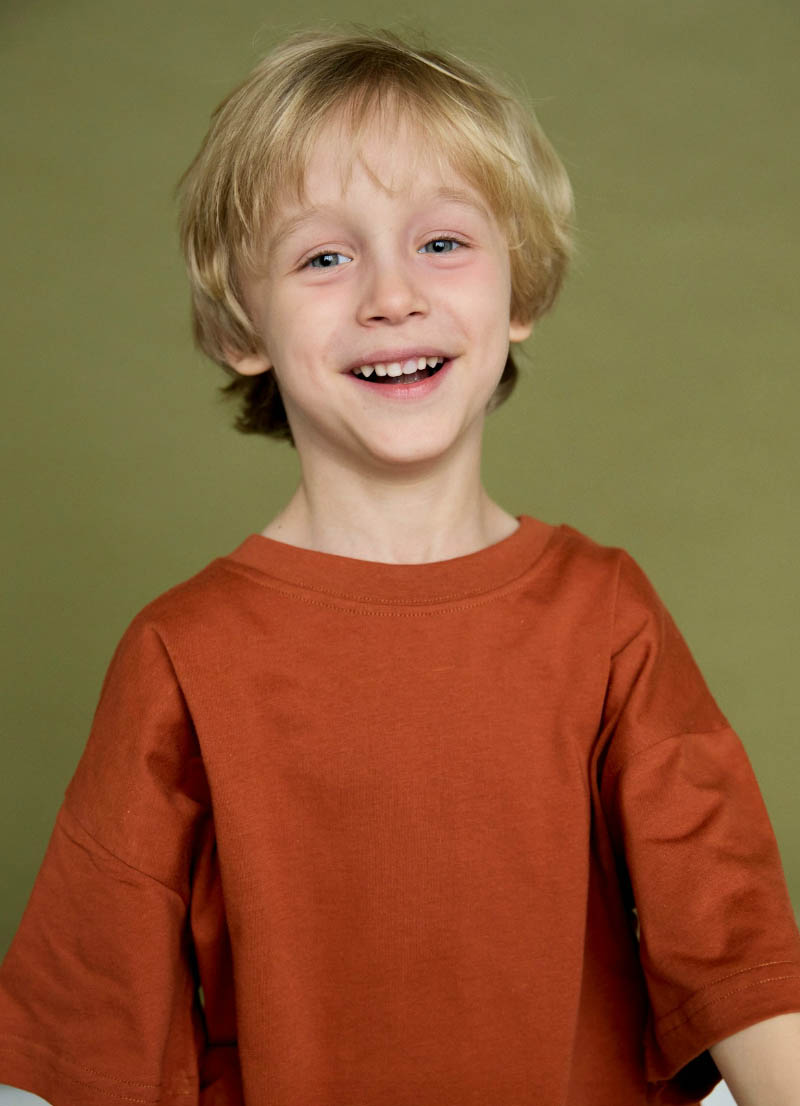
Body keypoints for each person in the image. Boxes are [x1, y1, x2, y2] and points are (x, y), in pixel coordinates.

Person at [0, 25, 799, 1106]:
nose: (391, 295)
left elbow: (737, 958)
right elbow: (92, 1026)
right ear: (242, 324)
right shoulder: (182, 653)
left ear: (519, 292)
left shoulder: (606, 615)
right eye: (323, 257)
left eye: (442, 242)